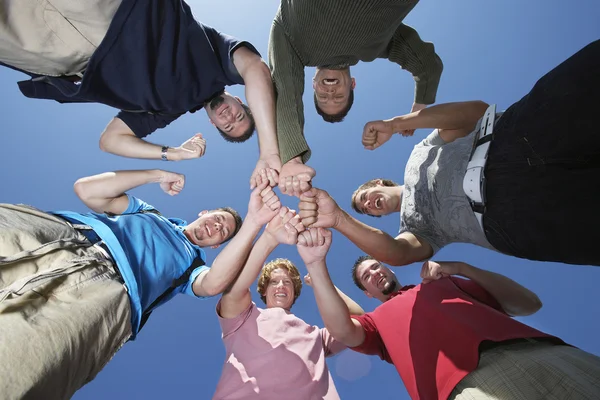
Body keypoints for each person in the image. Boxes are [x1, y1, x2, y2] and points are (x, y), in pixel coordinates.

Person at [0, 168, 281, 399]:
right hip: (69, 236)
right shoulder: (149, 213)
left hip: (106, 292)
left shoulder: (193, 267)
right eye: (218, 219)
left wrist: (255, 222)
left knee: (24, 359)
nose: (217, 227)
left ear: (218, 245)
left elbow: (213, 284)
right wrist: (157, 174)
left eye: (223, 232)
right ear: (204, 212)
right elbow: (86, 190)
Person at [351, 39, 600, 266]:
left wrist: (396, 123)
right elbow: (397, 253)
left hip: (516, 136)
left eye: (365, 198)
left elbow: (476, 112)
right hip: (515, 217)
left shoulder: (418, 154)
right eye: (368, 211)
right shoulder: (412, 230)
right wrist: (338, 220)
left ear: (378, 183)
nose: (370, 205)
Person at [0, 0, 281, 186]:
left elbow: (110, 141)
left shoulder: (166, 110)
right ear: (240, 99)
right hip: (113, 9)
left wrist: (174, 154)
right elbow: (256, 69)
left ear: (214, 124)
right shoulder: (220, 58)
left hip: (68, 55)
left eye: (228, 126)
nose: (229, 117)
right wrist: (268, 152)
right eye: (240, 115)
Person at [300, 234, 600, 400]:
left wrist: (460, 267)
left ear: (389, 268)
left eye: (377, 267)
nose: (375, 274)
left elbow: (528, 303)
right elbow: (343, 330)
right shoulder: (377, 323)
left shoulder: (441, 282)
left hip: (539, 354)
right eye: (367, 276)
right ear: (366, 293)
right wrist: (317, 270)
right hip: (464, 390)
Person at [269, 0, 444, 196]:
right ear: (352, 84)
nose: (331, 94)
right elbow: (427, 65)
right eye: (339, 97)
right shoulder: (379, 47)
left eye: (323, 98)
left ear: (314, 83)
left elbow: (285, 89)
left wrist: (291, 158)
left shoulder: (293, 42)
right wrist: (417, 113)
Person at [213, 205, 363, 399]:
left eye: (288, 283)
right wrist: (269, 238)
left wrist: (320, 279)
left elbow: (358, 320)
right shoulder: (244, 317)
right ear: (264, 290)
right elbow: (233, 292)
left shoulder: (317, 336)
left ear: (295, 291)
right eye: (274, 282)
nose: (281, 286)